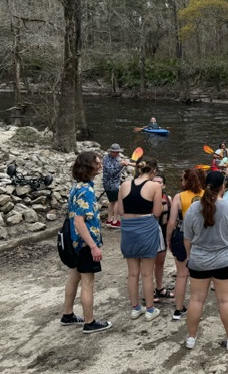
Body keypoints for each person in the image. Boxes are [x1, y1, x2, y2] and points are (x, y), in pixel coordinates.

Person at [182, 170, 228, 351]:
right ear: (223, 188)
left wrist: (189, 257)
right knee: (225, 301)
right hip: (224, 261)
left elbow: (187, 238)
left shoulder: (193, 209)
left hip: (198, 261)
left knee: (196, 300)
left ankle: (191, 338)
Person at [61, 151, 112, 334]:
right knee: (88, 283)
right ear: (88, 166)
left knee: (74, 276)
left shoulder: (76, 186)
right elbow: (79, 221)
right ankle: (89, 322)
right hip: (84, 244)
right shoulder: (87, 191)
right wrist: (93, 246)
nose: (100, 166)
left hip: (74, 242)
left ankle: (67, 314)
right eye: (97, 164)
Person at [117, 156, 164, 322]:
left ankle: (135, 308)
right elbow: (157, 212)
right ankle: (150, 309)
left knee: (132, 273)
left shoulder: (124, 185)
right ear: (153, 171)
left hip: (128, 229)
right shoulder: (155, 186)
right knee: (146, 273)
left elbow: (121, 211)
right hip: (146, 229)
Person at [166, 168, 205, 321]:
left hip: (182, 235)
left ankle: (178, 309)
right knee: (199, 275)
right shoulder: (207, 195)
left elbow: (171, 222)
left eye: (182, 179)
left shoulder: (179, 197)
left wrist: (169, 238)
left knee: (182, 274)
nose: (181, 182)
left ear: (187, 181)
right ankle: (197, 307)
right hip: (202, 236)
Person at [152, 172, 174, 303]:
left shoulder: (168, 198)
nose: (156, 184)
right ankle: (149, 292)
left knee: (160, 263)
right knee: (147, 266)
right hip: (150, 233)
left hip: (163, 232)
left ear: (164, 185)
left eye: (159, 182)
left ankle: (159, 288)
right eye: (154, 181)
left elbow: (171, 219)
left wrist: (169, 238)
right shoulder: (146, 197)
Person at [102, 143, 130, 228]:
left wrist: (122, 164)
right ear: (110, 151)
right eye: (114, 152)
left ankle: (109, 220)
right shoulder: (106, 159)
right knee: (118, 200)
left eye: (117, 152)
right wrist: (120, 166)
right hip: (110, 184)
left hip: (114, 183)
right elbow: (111, 172)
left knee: (112, 202)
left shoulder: (117, 158)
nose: (116, 154)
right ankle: (115, 221)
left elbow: (116, 168)